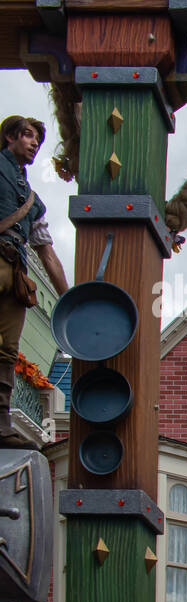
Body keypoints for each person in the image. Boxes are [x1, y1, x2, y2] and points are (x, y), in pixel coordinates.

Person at [0, 115, 68, 449]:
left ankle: (0, 424)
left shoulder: (33, 201)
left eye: (37, 141)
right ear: (10, 136)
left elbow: (47, 253)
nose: (33, 144)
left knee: (7, 350)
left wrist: (68, 297)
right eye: (27, 136)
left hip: (16, 274)